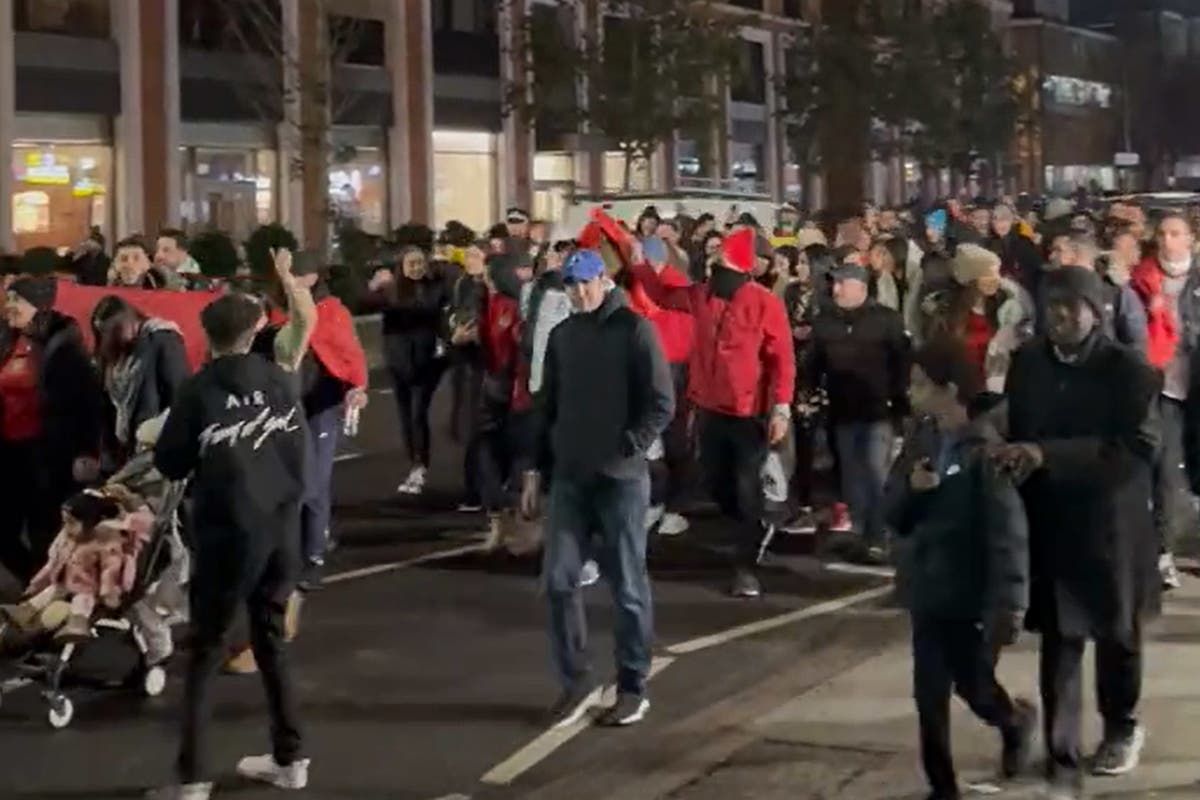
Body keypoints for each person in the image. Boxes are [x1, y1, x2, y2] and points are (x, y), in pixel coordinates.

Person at [1000, 266, 1159, 800]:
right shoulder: (1029, 363)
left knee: (1117, 635)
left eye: (1073, 306)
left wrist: (1050, 454)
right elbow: (1017, 424)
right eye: (1054, 305)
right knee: (1061, 640)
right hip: (1053, 519)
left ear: (1097, 312)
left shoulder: (1128, 370)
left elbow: (1137, 448)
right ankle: (1061, 751)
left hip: (1113, 523)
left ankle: (1121, 727)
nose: (1062, 316)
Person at [148, 293, 310, 800]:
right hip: (282, 529)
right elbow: (300, 455)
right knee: (271, 642)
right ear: (255, 329)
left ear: (206, 335)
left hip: (226, 533)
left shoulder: (198, 390)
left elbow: (171, 462)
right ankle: (291, 758)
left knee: (206, 649)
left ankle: (193, 777)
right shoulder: (283, 380)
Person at [521, 249, 674, 729]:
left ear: (604, 280)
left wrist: (628, 447)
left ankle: (633, 687)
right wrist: (532, 471)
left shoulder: (634, 330)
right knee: (559, 580)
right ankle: (576, 681)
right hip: (570, 476)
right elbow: (547, 407)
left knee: (628, 587)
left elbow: (661, 402)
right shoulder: (564, 335)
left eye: (585, 283)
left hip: (621, 480)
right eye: (570, 285)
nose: (579, 292)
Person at [888, 341, 1036, 800]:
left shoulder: (986, 454)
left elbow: (1007, 535)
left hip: (968, 597)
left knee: (975, 688)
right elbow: (892, 512)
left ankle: (1014, 722)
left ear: (949, 390)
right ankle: (942, 786)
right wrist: (913, 491)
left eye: (919, 385)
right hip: (927, 591)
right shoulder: (920, 440)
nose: (911, 394)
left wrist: (1009, 607)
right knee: (928, 696)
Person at [629, 227, 794, 598]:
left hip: (749, 412)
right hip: (708, 408)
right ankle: (749, 525)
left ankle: (745, 566)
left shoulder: (765, 302)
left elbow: (782, 358)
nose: (712, 270)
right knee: (717, 482)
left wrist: (781, 408)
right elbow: (663, 295)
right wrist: (639, 264)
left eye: (721, 264)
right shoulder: (701, 296)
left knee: (746, 485)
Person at [270, 252, 368, 590]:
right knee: (289, 482)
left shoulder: (330, 312)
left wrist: (358, 386)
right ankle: (294, 550)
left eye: (294, 275)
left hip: (322, 403)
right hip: (287, 408)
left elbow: (351, 353)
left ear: (310, 278)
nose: (289, 281)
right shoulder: (280, 311)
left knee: (312, 484)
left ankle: (312, 557)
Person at [0, 277, 104, 582]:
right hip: (9, 452)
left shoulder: (63, 344)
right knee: (4, 531)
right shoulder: (7, 338)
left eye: (16, 301)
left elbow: (88, 402)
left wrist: (87, 451)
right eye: (8, 299)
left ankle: (48, 595)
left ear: (39, 306)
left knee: (44, 530)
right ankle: (37, 582)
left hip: (47, 454)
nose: (9, 307)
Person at [807, 262, 909, 562]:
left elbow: (902, 361)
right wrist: (808, 389)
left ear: (860, 287)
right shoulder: (825, 321)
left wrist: (899, 401)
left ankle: (878, 534)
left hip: (879, 410)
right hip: (842, 410)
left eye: (842, 283)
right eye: (834, 284)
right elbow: (814, 362)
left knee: (876, 472)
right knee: (851, 476)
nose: (835, 289)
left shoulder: (886, 320)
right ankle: (862, 530)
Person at [1130, 212, 1199, 590]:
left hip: (1197, 384)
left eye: (1176, 233)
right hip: (1164, 390)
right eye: (1163, 234)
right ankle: (1163, 552)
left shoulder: (1196, 280)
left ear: (1190, 238)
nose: (1168, 240)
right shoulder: (1141, 281)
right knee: (1167, 471)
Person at [366, 246, 449, 496]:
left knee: (417, 413)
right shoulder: (390, 290)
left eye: (420, 262)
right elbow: (361, 301)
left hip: (426, 362)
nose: (416, 267)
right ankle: (414, 462)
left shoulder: (434, 287)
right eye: (410, 263)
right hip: (399, 361)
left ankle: (420, 467)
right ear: (400, 266)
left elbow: (436, 308)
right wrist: (373, 285)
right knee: (405, 416)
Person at [91, 296, 191, 467]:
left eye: (114, 330)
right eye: (103, 333)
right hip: (125, 448)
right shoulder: (113, 353)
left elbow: (179, 397)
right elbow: (106, 404)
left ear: (130, 321)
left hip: (154, 447)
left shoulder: (163, 341)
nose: (109, 338)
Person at [1055, 233, 1147, 353]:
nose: (1053, 257)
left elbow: (1135, 338)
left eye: (1059, 251)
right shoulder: (1047, 287)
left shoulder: (1115, 291)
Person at [110, 235, 182, 290]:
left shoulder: (161, 281)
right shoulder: (112, 286)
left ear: (148, 262)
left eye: (136, 258)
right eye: (123, 259)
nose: (129, 264)